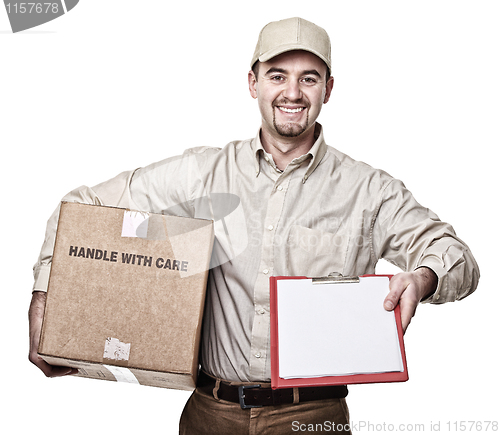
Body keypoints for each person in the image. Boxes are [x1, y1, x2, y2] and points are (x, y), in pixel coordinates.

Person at [29, 17, 479, 434]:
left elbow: (455, 255)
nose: (293, 92)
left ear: (329, 88)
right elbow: (83, 207)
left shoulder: (369, 190)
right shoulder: (202, 174)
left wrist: (423, 278)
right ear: (253, 83)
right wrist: (45, 300)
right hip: (211, 412)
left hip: (314, 416)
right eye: (278, 75)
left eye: (309, 78)